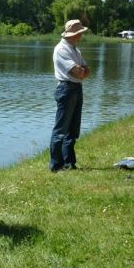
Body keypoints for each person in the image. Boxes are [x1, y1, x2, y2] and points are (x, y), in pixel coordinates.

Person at [49, 19, 91, 172]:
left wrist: (82, 71)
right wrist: (81, 71)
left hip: (76, 88)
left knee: (73, 130)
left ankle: (69, 163)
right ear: (74, 34)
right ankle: (56, 166)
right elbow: (79, 71)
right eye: (80, 33)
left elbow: (87, 70)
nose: (81, 36)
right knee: (60, 130)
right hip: (66, 89)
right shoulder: (61, 49)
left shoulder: (75, 49)